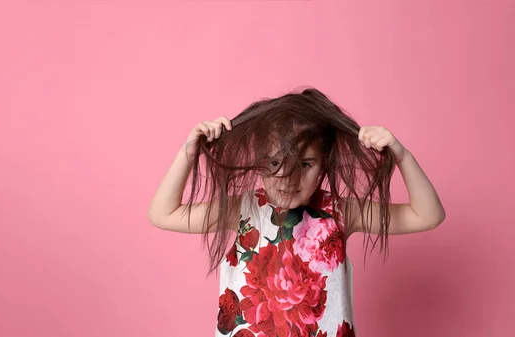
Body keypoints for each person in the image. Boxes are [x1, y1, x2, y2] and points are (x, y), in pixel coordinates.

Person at [147, 87, 445, 337]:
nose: (288, 179)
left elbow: (428, 215)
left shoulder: (339, 212)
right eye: (275, 163)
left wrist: (401, 155)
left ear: (324, 166)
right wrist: (190, 149)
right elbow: (163, 213)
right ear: (258, 163)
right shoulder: (243, 210)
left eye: (304, 164)